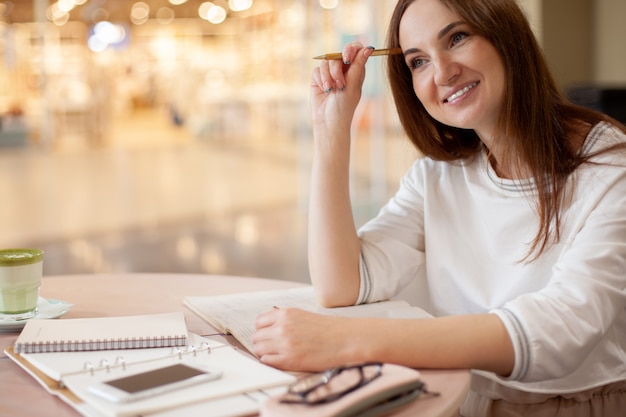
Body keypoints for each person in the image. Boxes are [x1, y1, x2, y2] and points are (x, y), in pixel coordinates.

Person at [252, 0, 626, 415]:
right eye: (418, 61)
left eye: (458, 38)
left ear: (507, 36)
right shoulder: (437, 175)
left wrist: (346, 340)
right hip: (461, 398)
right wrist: (331, 130)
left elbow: (560, 330)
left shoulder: (609, 163)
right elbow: (342, 284)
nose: (443, 72)